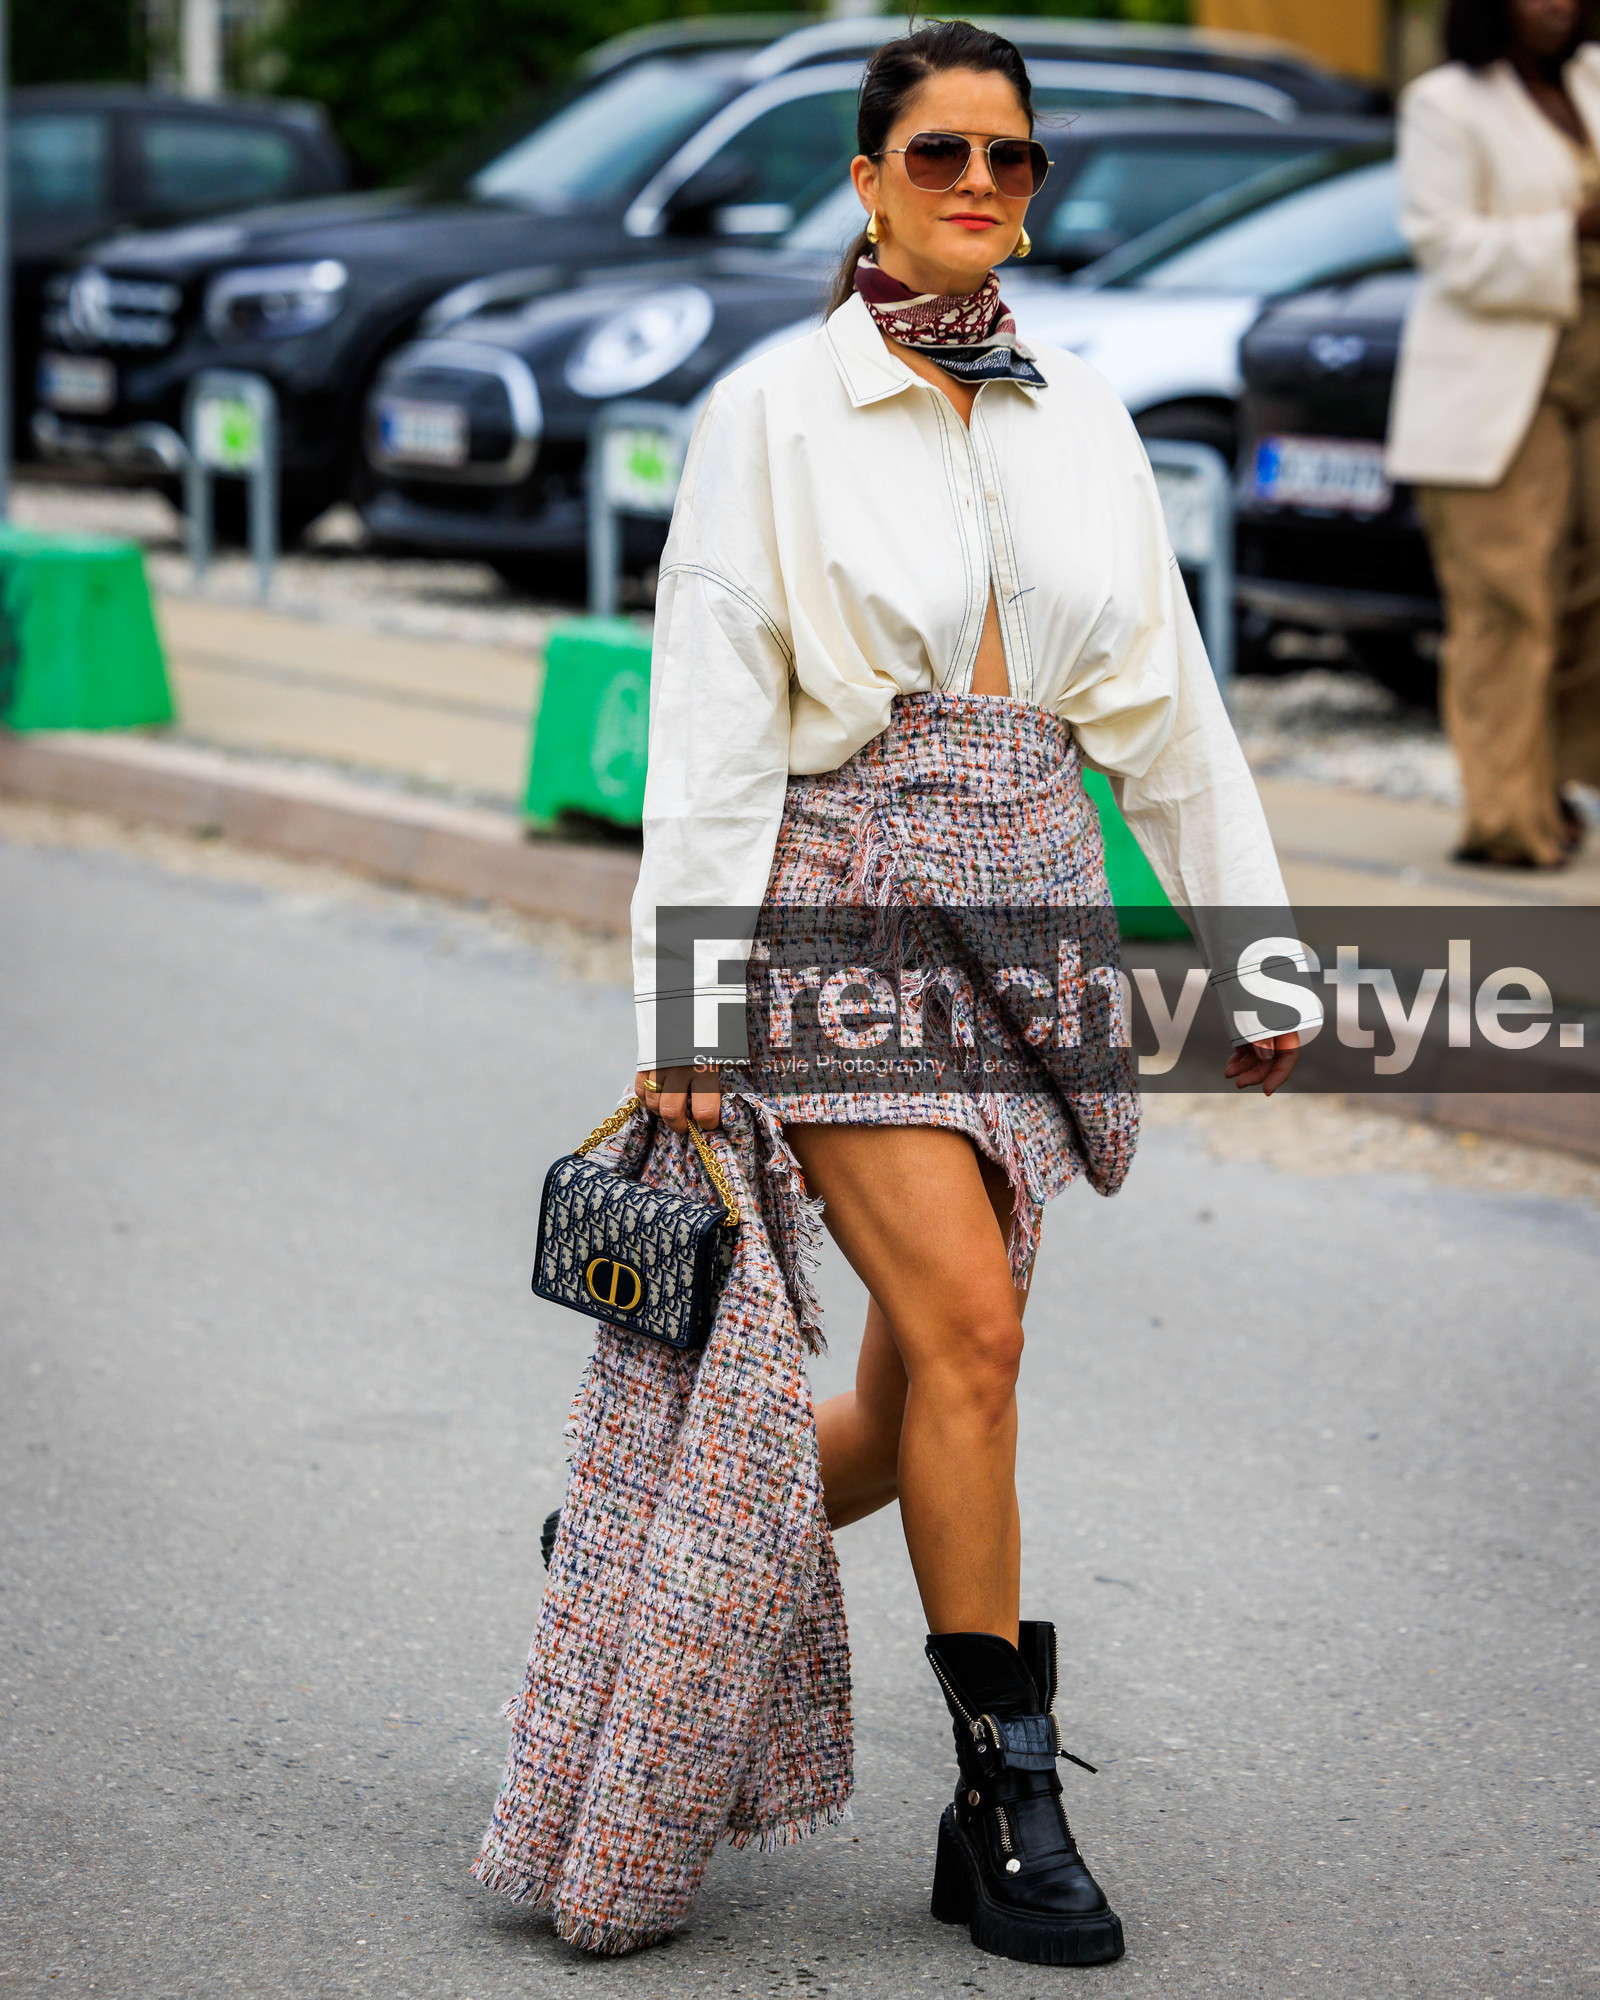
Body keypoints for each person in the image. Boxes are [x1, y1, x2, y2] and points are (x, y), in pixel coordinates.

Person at [616, 22, 1312, 1968]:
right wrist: (688, 1009)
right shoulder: (771, 413)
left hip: (1028, 914)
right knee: (972, 1328)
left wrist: (1243, 948)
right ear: (862, 177)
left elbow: (1166, 710)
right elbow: (713, 733)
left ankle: (676, 1538)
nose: (979, 189)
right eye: (938, 154)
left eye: (1011, 159)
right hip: (840, 907)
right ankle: (1006, 1792)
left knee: (932, 1375)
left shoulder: (1078, 409)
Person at [1389, 0, 1600, 867]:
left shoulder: (1592, 79)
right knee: (1506, 604)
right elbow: (1442, 246)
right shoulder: (1446, 102)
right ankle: (1505, 820)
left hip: (1589, 370)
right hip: (1495, 386)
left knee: (1585, 600)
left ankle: (1550, 783)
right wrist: (1572, 230)